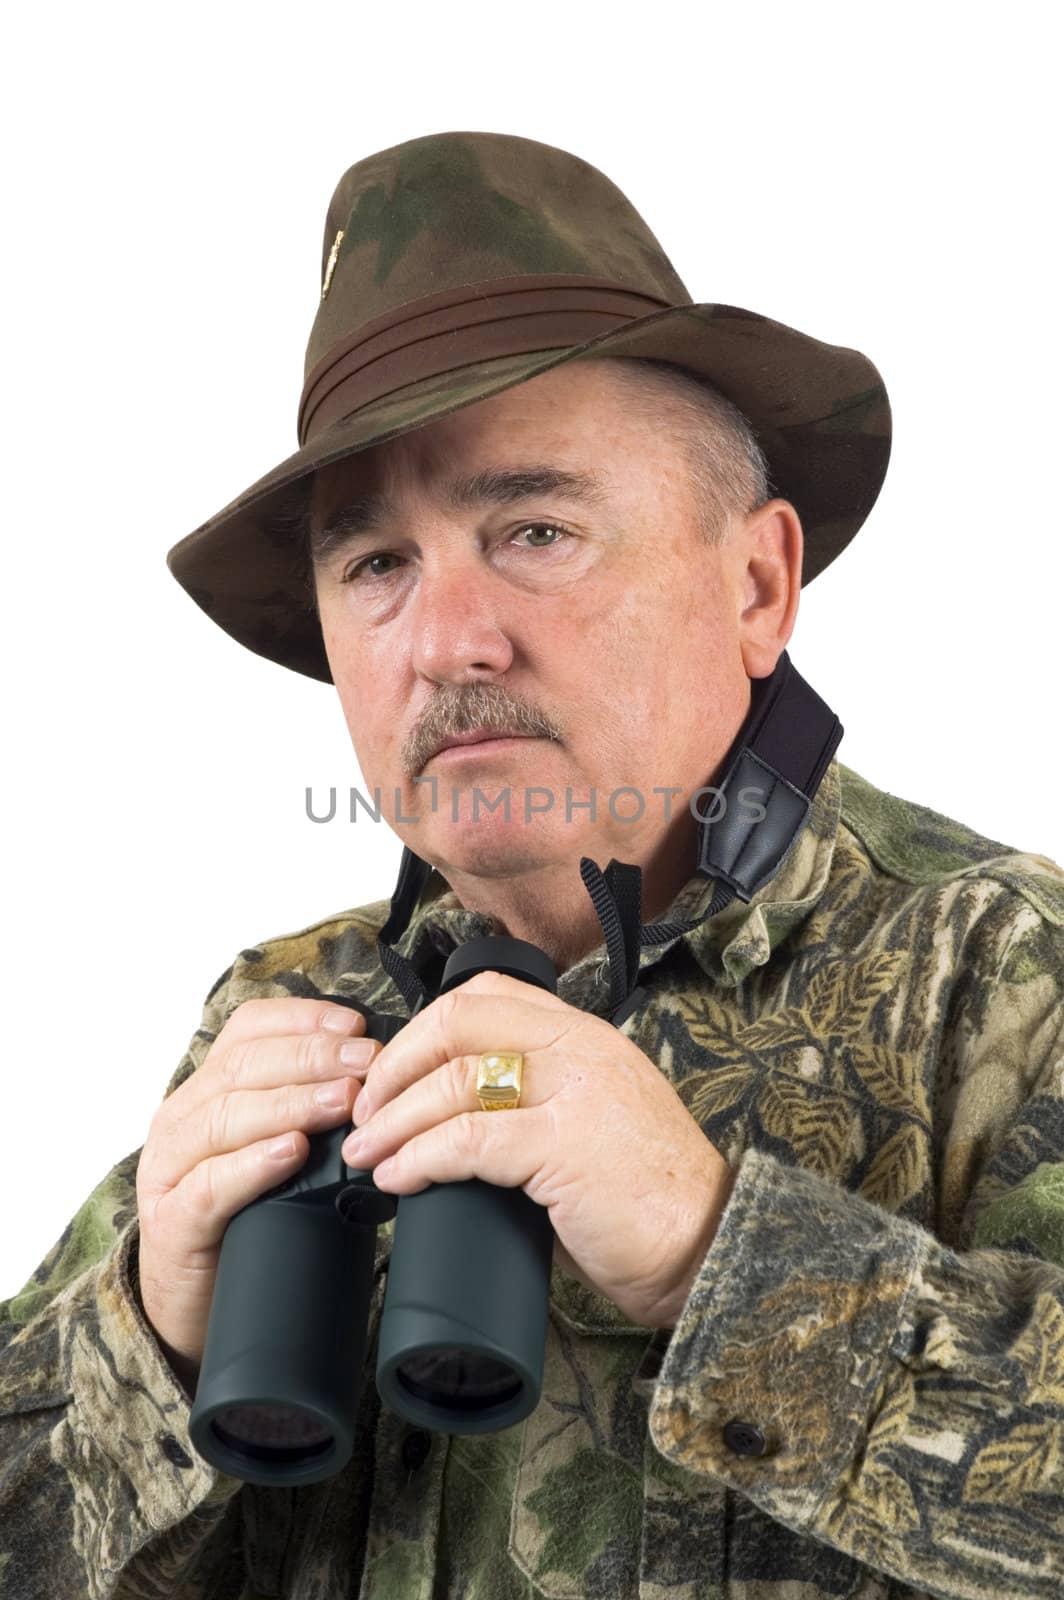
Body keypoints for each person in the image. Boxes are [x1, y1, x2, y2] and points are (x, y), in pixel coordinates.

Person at [2, 129, 1062, 1600]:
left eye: (538, 530)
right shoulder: (292, 1012)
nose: (446, 643)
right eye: (376, 566)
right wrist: (147, 1338)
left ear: (758, 585)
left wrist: (720, 1258)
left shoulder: (1006, 980)